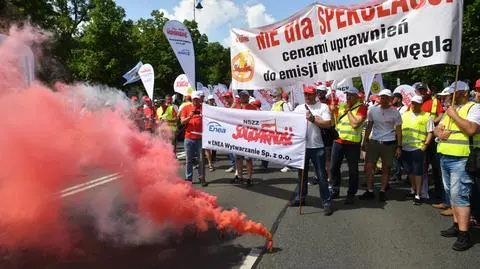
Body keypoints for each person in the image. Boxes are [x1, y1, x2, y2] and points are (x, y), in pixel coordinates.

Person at [434, 81, 480, 251]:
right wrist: (440, 133)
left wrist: (454, 115)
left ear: (464, 93)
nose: (450, 96)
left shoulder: (473, 108)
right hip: (445, 156)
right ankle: (456, 224)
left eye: (454, 92)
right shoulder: (451, 109)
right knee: (451, 194)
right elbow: (437, 129)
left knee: (459, 195)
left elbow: (471, 129)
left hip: (462, 158)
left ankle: (464, 234)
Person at [290, 86, 333, 216]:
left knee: (321, 176)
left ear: (315, 94)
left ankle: (326, 202)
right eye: (305, 95)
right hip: (302, 147)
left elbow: (328, 123)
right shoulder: (299, 108)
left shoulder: (323, 107)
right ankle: (300, 197)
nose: (307, 97)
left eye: (309, 94)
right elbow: (291, 123)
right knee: (301, 175)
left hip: (317, 147)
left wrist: (313, 119)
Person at [413, 83, 449, 215]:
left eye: (423, 90)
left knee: (436, 168)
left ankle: (440, 196)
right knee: (419, 167)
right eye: (419, 90)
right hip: (419, 138)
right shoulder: (414, 101)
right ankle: (419, 192)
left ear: (426, 91)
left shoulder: (434, 101)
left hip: (432, 137)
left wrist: (432, 122)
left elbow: (441, 115)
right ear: (416, 91)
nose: (422, 92)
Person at [360, 89, 402, 202]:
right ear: (379, 98)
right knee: (369, 166)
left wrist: (399, 146)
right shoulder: (373, 111)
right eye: (382, 97)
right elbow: (369, 127)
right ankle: (369, 190)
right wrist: (365, 141)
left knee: (386, 168)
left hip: (389, 143)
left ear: (390, 99)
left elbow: (399, 130)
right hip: (374, 141)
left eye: (386, 98)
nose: (383, 100)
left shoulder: (395, 112)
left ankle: (383, 190)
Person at [329, 87, 367, 204]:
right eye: (347, 95)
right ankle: (335, 190)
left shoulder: (362, 108)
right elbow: (332, 122)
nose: (348, 97)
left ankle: (351, 193)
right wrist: (331, 111)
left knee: (353, 171)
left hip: (352, 144)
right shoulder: (340, 106)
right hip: (338, 142)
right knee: (334, 168)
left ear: (356, 96)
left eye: (350, 95)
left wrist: (349, 111)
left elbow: (355, 124)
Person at [401, 95, 434, 205]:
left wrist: (426, 144)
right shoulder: (405, 115)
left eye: (416, 104)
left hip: (418, 148)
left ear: (421, 105)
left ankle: (418, 194)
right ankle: (413, 189)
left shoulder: (426, 116)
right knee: (409, 171)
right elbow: (399, 130)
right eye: (412, 103)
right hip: (405, 147)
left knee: (418, 172)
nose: (413, 105)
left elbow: (430, 132)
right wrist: (399, 146)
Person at [180, 91, 208, 187]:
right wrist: (190, 116)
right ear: (192, 99)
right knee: (189, 159)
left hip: (200, 138)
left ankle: (202, 177)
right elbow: (183, 122)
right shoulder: (186, 108)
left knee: (201, 159)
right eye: (194, 99)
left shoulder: (205, 108)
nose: (196, 101)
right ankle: (189, 178)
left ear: (199, 99)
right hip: (189, 138)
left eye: (197, 99)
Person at [232, 90, 258, 186]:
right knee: (238, 158)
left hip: (248, 137)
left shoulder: (253, 108)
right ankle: (240, 176)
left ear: (248, 97)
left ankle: (249, 178)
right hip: (238, 137)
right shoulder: (236, 107)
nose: (242, 97)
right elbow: (227, 114)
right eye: (241, 96)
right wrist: (234, 103)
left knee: (248, 159)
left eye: (244, 96)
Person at [222, 91, 237, 173]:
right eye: (225, 97)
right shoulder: (226, 106)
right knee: (229, 150)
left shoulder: (236, 106)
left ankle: (237, 167)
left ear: (232, 97)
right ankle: (233, 165)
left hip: (236, 132)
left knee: (236, 151)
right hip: (228, 131)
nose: (226, 99)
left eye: (227, 97)